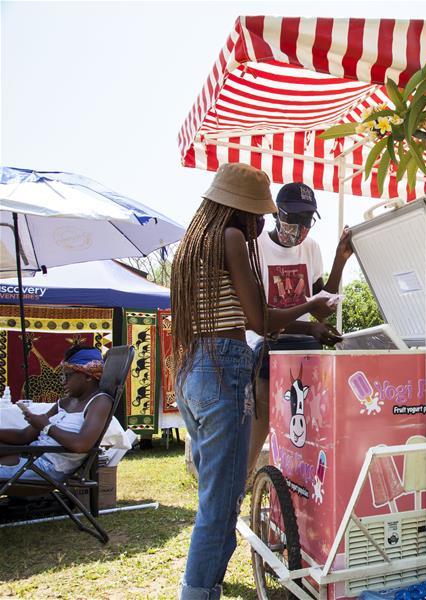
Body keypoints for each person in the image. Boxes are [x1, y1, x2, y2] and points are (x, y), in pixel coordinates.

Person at [170, 163, 331, 600]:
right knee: (219, 506)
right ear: (240, 210)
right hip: (223, 367)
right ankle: (198, 591)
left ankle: (208, 586)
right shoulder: (233, 237)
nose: (262, 223)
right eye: (258, 215)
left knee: (216, 497)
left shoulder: (191, 244)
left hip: (192, 369)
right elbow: (258, 318)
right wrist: (312, 305)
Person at [245, 181, 353, 484]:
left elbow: (320, 305)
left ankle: (306, 486)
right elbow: (258, 318)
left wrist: (340, 260)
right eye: (293, 219)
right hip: (268, 345)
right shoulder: (254, 249)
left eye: (307, 220)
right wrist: (311, 327)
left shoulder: (311, 248)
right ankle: (241, 487)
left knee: (314, 423)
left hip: (306, 345)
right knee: (260, 426)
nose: (300, 227)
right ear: (278, 214)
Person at [0, 345, 112, 482]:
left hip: (49, 467)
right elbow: (24, 436)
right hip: (33, 455)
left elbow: (81, 445)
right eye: (62, 375)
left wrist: (46, 426)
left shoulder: (100, 402)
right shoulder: (65, 402)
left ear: (88, 376)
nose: (63, 381)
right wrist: (39, 424)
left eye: (68, 376)